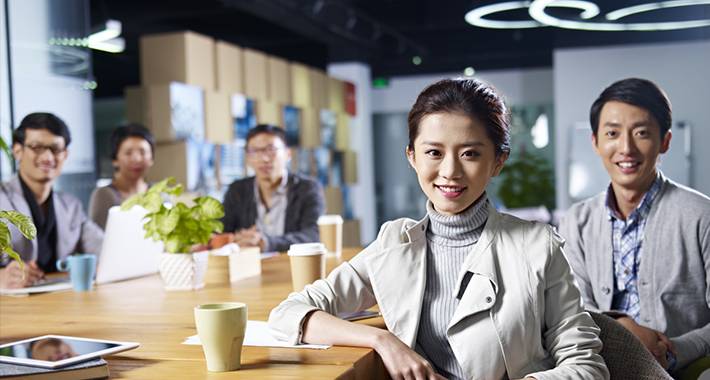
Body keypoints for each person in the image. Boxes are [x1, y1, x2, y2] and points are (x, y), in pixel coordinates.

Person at [268, 79, 609, 380]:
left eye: (470, 154)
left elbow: (586, 364)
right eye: (433, 152)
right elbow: (288, 314)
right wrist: (382, 340)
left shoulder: (538, 245)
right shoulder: (394, 242)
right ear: (412, 156)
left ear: (498, 161)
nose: (450, 171)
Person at [558, 78, 710, 374]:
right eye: (612, 133)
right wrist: (621, 327)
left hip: (686, 367)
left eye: (641, 133)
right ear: (596, 142)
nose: (626, 148)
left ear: (664, 141)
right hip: (601, 365)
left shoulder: (702, 216)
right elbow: (571, 310)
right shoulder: (576, 222)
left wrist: (675, 349)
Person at [0, 112, 104, 289]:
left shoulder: (71, 206)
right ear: (17, 151)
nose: (48, 157)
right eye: (37, 147)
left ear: (65, 154)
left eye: (55, 149)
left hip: (58, 302)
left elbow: (104, 250)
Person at [218, 124, 324, 252]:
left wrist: (266, 243)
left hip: (292, 265)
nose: (264, 158)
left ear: (288, 154)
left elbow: (313, 235)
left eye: (271, 150)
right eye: (255, 151)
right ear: (248, 158)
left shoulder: (307, 188)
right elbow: (221, 230)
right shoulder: (237, 190)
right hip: (248, 267)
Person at [88, 124, 155, 229]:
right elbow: (98, 239)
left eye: (143, 152)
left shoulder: (160, 193)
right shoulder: (105, 195)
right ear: (115, 159)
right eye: (128, 153)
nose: (137, 159)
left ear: (151, 158)